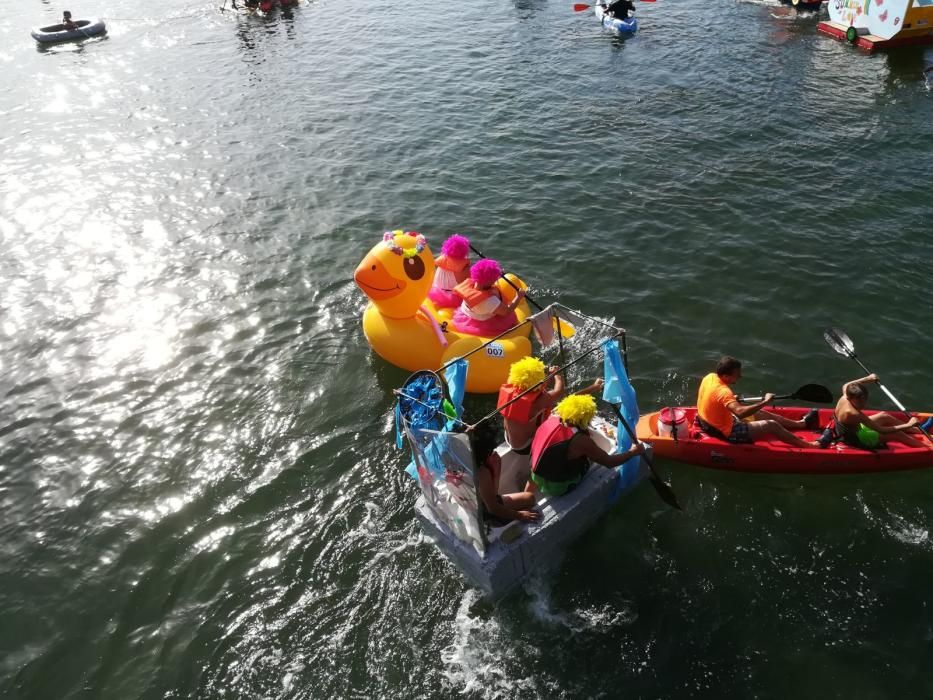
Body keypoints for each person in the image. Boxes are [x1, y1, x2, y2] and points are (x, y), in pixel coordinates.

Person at [525, 394, 645, 497]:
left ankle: (528, 494)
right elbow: (610, 462)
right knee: (589, 460)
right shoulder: (581, 441)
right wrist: (633, 452)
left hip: (536, 475)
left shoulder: (552, 417)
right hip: (557, 487)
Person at [696, 356, 822, 448]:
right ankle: (810, 446)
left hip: (708, 421)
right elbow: (740, 413)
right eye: (737, 374)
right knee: (771, 425)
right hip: (725, 432)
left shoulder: (710, 377)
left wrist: (732, 399)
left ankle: (801, 424)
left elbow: (714, 397)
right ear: (726, 376)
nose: (740, 376)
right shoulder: (723, 392)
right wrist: (765, 401)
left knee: (761, 414)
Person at [497, 356, 603, 456]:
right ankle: (595, 387)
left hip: (510, 439)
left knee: (545, 402)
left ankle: (594, 387)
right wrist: (557, 375)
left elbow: (538, 390)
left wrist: (548, 376)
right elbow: (559, 392)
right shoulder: (537, 403)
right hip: (526, 447)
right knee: (568, 406)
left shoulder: (514, 390)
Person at [828, 374, 930, 449]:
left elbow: (847, 384)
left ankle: (918, 430)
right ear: (850, 398)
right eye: (859, 401)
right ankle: (927, 448)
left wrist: (868, 379)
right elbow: (882, 430)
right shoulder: (854, 414)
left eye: (864, 399)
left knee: (884, 415)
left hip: (853, 428)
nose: (863, 403)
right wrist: (909, 424)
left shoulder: (846, 396)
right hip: (856, 438)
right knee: (897, 434)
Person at [472, 423, 540, 524]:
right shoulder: (482, 473)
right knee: (530, 498)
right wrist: (520, 515)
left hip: (477, 507)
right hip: (489, 514)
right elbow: (493, 509)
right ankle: (512, 516)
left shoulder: (461, 466)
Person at [451, 259, 525, 337]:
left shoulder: (471, 284)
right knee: (510, 321)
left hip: (466, 316)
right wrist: (518, 297)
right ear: (489, 281)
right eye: (494, 279)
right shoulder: (490, 301)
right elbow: (507, 311)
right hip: (483, 323)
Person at [428, 234, 471, 309]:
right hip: (452, 300)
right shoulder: (464, 268)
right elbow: (470, 285)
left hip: (435, 293)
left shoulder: (442, 260)